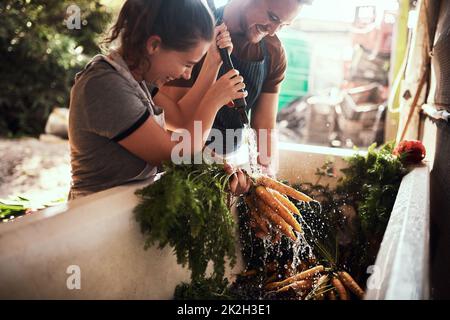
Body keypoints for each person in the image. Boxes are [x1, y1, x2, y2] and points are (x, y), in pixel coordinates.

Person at [68, 0, 250, 200]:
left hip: (124, 210)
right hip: (93, 216)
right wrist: (214, 101)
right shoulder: (104, 85)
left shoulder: (137, 78)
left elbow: (181, 118)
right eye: (186, 64)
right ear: (154, 45)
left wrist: (214, 62)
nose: (187, 75)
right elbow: (176, 156)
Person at [162, 0, 305, 175]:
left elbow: (265, 128)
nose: (273, 30)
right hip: (180, 163)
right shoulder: (191, 31)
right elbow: (174, 121)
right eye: (272, 17)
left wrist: (265, 173)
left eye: (282, 25)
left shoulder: (274, 51)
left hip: (227, 167)